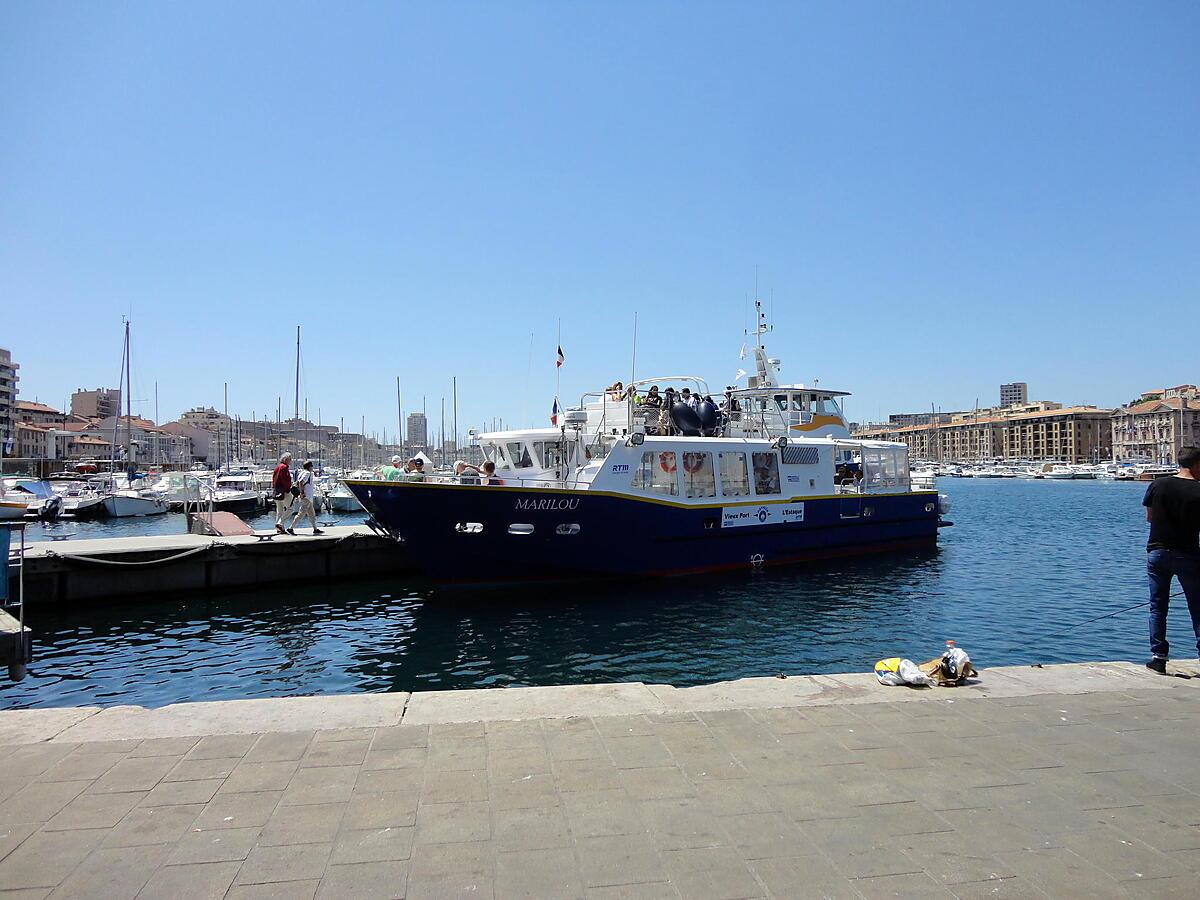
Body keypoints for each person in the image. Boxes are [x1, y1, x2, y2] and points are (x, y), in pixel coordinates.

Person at [1142, 446, 1200, 674]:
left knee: (1158, 607)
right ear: (1197, 464)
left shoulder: (1159, 484)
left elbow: (1149, 518)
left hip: (1158, 552)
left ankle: (1158, 658)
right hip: (1189, 554)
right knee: (1197, 607)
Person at [287, 460, 322, 535]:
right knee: (301, 513)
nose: (312, 467)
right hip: (306, 496)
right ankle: (290, 528)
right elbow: (301, 482)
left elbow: (298, 482)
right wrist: (302, 493)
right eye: (312, 466)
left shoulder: (302, 472)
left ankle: (315, 529)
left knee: (311, 514)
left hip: (308, 498)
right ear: (309, 467)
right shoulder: (307, 473)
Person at [272, 453, 294, 534]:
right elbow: (286, 481)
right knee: (290, 508)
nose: (290, 461)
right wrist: (288, 489)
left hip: (276, 491)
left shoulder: (277, 467)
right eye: (290, 459)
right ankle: (280, 523)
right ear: (286, 460)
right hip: (284, 491)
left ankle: (279, 529)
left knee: (279, 510)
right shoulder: (284, 468)